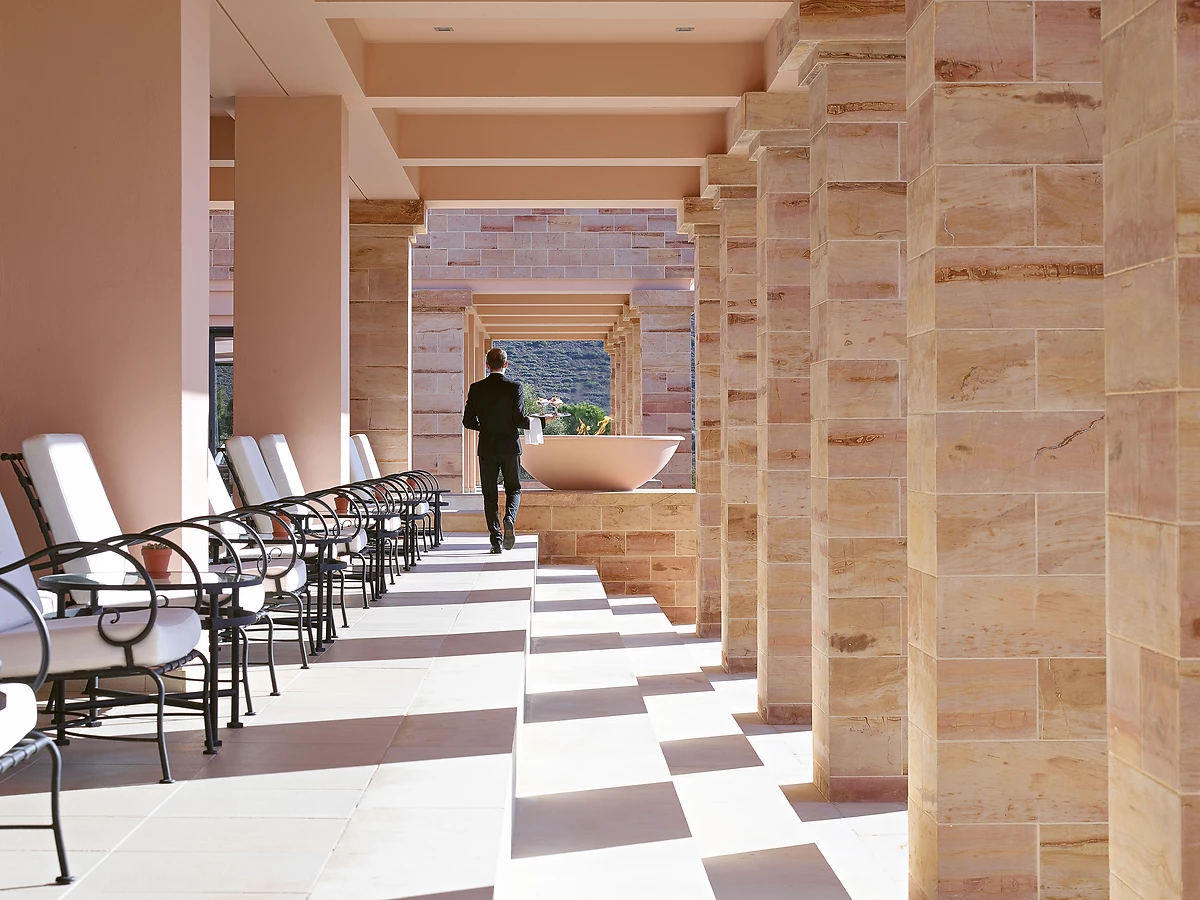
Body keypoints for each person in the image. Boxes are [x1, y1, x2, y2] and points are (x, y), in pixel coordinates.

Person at [461, 347, 543, 553]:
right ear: (506, 364)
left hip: (487, 448)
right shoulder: (515, 387)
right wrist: (542, 421)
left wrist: (486, 426)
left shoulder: (476, 388)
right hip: (510, 447)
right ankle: (509, 518)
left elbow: (467, 421)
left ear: (487, 365)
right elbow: (519, 420)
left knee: (489, 495)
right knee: (513, 488)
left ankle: (496, 541)